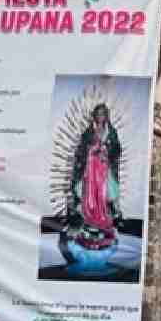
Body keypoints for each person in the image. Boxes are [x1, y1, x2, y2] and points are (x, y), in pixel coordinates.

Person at [66, 102, 122, 251]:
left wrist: (106, 150)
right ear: (94, 116)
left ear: (106, 116)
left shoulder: (111, 132)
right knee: (90, 193)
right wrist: (91, 150)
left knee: (103, 194)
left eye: (102, 114)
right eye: (98, 114)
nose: (100, 117)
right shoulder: (88, 132)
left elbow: (117, 148)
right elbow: (81, 149)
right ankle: (89, 221)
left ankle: (103, 220)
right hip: (90, 168)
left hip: (103, 167)